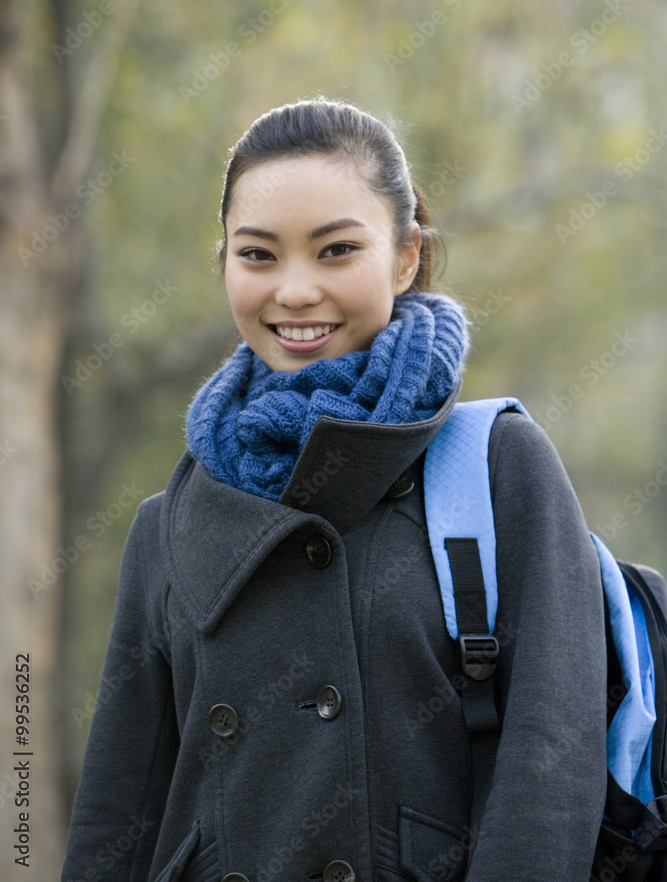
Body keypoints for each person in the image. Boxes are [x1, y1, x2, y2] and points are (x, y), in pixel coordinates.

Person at [61, 97, 607, 882]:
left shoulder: (494, 466)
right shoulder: (169, 526)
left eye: (335, 251)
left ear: (404, 257)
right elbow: (118, 814)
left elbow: (549, 771)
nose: (293, 292)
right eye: (257, 255)